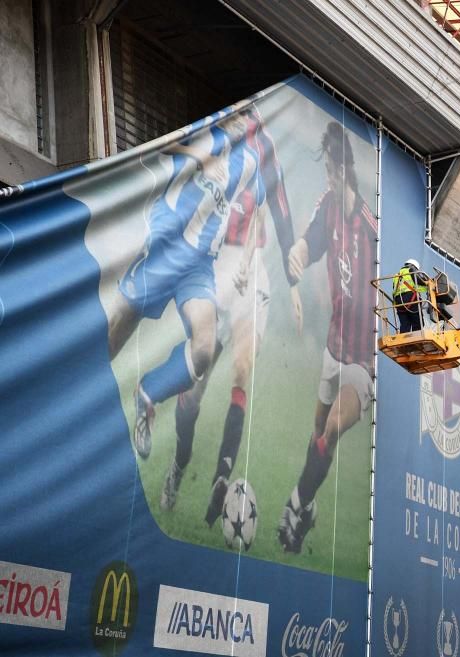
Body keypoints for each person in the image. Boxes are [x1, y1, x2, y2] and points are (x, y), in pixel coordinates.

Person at [105, 106, 291, 461]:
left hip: (199, 265)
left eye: (247, 117)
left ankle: (147, 394)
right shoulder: (204, 132)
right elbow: (156, 148)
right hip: (165, 244)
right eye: (237, 115)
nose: (241, 121)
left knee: (204, 348)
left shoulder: (251, 159)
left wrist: (249, 258)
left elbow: (261, 212)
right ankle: (77, 401)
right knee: (116, 332)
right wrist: (199, 158)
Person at [156, 107, 303, 519]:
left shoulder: (266, 143)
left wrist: (290, 284)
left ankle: (222, 478)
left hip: (251, 270)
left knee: (242, 368)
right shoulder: (215, 128)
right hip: (213, 266)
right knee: (197, 385)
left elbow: (276, 209)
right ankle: (179, 466)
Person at [276, 120, 377, 553]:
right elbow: (307, 243)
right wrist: (296, 257)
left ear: (347, 171)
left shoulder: (372, 230)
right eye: (327, 172)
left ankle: (294, 505)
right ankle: (310, 509)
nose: (330, 179)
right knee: (317, 435)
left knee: (333, 426)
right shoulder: (327, 207)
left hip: (363, 361)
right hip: (332, 349)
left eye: (335, 172)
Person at [392, 258, 428, 333]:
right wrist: (428, 282)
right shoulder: (411, 270)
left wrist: (425, 288)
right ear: (413, 266)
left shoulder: (396, 275)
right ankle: (416, 339)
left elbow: (396, 288)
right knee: (418, 322)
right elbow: (420, 281)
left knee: (405, 325)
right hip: (410, 298)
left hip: (398, 301)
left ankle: (403, 341)